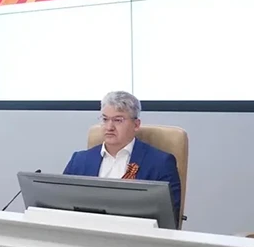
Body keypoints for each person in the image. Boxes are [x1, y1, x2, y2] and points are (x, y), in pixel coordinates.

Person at [63, 90, 182, 223]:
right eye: (105, 119)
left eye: (118, 120)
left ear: (136, 125)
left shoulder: (160, 163)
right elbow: (61, 207)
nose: (109, 127)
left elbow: (168, 219)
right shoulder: (79, 161)